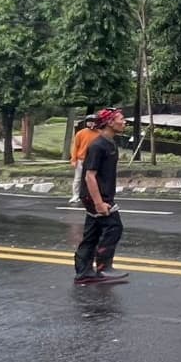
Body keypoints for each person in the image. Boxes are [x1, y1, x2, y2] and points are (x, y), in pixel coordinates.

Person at [74, 108, 130, 285]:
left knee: (92, 234)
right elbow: (89, 175)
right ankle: (103, 268)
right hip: (95, 196)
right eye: (122, 119)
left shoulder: (110, 143)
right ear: (110, 123)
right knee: (114, 227)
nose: (125, 122)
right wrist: (99, 203)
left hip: (102, 194)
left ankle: (83, 273)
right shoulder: (97, 145)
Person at [69, 114, 98, 203]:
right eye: (89, 122)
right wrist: (73, 159)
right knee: (78, 179)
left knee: (93, 179)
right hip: (81, 160)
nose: (91, 124)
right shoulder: (81, 133)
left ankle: (92, 196)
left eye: (93, 122)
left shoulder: (99, 133)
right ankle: (75, 195)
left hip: (93, 160)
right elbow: (75, 147)